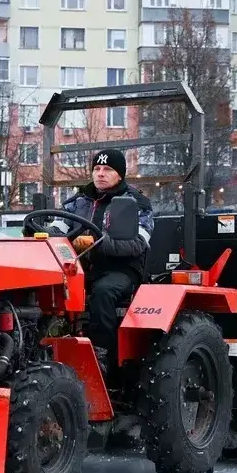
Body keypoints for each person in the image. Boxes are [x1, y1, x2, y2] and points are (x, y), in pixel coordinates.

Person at [49, 149, 154, 371]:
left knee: (103, 292)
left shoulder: (136, 203)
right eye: (96, 169)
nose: (100, 174)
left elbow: (137, 244)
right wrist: (42, 232)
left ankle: (102, 355)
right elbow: (58, 228)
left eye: (107, 169)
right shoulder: (78, 201)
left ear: (120, 175)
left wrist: (97, 243)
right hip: (78, 268)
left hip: (121, 270)